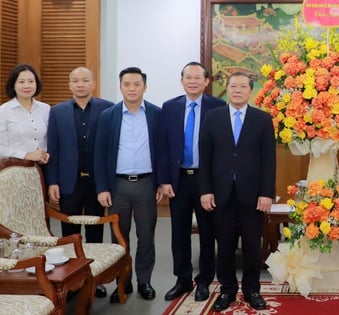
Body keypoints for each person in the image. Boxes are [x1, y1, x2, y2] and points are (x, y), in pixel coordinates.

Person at [199, 72, 275, 312]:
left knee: (253, 245)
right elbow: (205, 158)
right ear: (227, 89)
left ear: (250, 91)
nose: (238, 90)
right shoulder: (212, 118)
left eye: (243, 87)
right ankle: (227, 290)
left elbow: (269, 160)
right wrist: (205, 190)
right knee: (225, 245)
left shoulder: (262, 119)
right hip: (221, 194)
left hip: (252, 195)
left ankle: (252, 290)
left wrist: (266, 193)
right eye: (233, 86)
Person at [158, 62, 226, 302]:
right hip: (178, 180)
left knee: (208, 232)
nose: (193, 81)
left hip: (206, 181)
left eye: (198, 78)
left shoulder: (218, 107)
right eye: (188, 77)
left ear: (206, 81)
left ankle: (205, 280)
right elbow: (163, 146)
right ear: (182, 80)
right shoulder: (170, 108)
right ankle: (183, 279)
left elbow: (223, 148)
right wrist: (164, 180)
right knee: (179, 232)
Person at [94, 66, 162, 302]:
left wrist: (162, 183)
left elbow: (162, 151)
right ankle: (123, 283)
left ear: (145, 86)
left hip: (146, 183)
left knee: (146, 237)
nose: (132, 88)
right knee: (119, 238)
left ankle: (145, 281)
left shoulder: (156, 114)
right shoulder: (108, 116)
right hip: (117, 186)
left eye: (136, 84)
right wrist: (102, 187)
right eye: (127, 84)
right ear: (120, 86)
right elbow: (99, 154)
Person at [46, 66, 114, 298]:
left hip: (97, 181)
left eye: (85, 80)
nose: (80, 84)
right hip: (68, 181)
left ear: (93, 83)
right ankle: (71, 280)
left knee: (95, 230)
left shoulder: (107, 108)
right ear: (70, 85)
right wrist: (52, 181)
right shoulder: (57, 112)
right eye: (75, 80)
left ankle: (95, 278)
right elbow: (53, 148)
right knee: (70, 232)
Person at [0, 64, 50, 164]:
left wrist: (45, 153)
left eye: (31, 81)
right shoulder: (4, 111)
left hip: (42, 169)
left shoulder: (45, 109)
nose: (27, 86)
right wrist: (27, 155)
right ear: (13, 85)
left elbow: (48, 140)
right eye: (21, 82)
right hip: (14, 171)